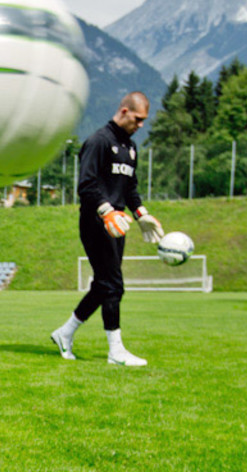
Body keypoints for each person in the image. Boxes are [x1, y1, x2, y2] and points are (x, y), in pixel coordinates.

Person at [51, 92, 164, 366]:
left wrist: (141, 214)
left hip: (118, 224)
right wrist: (106, 210)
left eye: (143, 121)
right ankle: (116, 352)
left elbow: (130, 189)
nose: (140, 125)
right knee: (114, 285)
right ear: (124, 111)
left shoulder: (131, 148)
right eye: (137, 119)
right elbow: (87, 184)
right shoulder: (98, 141)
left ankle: (64, 333)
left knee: (104, 285)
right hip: (96, 221)